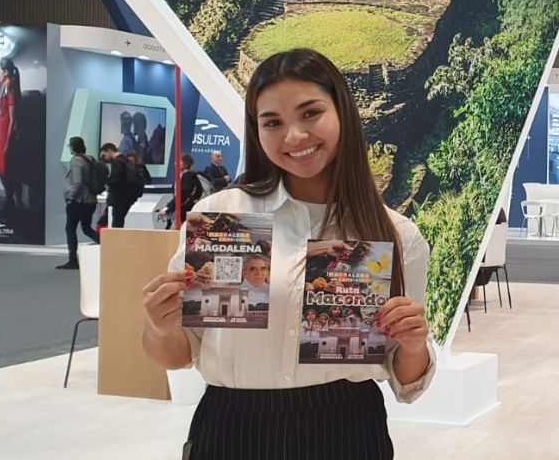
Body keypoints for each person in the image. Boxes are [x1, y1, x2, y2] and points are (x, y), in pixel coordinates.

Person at [139, 49, 434, 459]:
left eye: (310, 113)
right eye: (273, 122)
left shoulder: (394, 235)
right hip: (231, 430)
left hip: (346, 432)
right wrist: (160, 326)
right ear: (256, 132)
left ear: (343, 114)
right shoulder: (223, 218)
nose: (293, 136)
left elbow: (407, 379)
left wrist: (415, 343)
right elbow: (178, 354)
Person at [59, 136, 101, 270]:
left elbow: (77, 182)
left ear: (73, 147)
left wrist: (71, 197)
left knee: (70, 229)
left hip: (79, 201)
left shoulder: (76, 161)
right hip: (91, 200)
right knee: (87, 228)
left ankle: (72, 260)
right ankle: (108, 247)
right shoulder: (90, 159)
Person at [0, 58, 22, 216]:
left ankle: (9, 201)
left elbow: (13, 119)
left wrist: (7, 143)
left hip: (5, 134)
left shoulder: (10, 89)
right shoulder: (5, 88)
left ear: (5, 72)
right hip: (1, 131)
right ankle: (9, 200)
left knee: (4, 168)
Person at [160, 154, 202, 228]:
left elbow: (182, 194)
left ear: (185, 163)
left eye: (179, 161)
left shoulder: (188, 176)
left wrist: (168, 208)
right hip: (182, 209)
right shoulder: (185, 176)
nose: (175, 163)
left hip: (184, 210)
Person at [102, 143, 135, 228]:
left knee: (116, 223)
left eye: (104, 155)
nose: (104, 158)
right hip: (128, 196)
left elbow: (114, 180)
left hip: (119, 197)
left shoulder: (117, 162)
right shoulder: (126, 160)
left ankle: (115, 241)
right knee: (119, 221)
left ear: (109, 151)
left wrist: (105, 179)